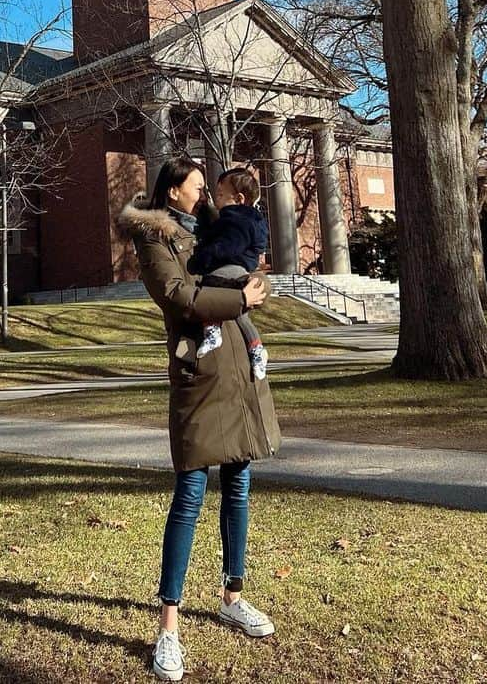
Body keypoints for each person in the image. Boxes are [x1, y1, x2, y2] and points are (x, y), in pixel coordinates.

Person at [118, 156, 282, 683]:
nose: (206, 196)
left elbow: (251, 263)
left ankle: (233, 595)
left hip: (238, 362)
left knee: (239, 484)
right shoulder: (154, 238)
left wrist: (251, 283)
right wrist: (239, 296)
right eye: (197, 188)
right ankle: (169, 626)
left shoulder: (215, 226)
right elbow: (177, 297)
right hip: (199, 368)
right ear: (173, 193)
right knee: (190, 494)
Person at [176, 166, 269, 381]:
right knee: (241, 315)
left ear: (238, 198)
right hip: (240, 270)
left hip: (231, 269)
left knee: (210, 290)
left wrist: (201, 258)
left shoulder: (236, 220)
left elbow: (226, 246)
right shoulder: (242, 218)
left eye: (219, 194)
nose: (212, 197)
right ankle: (256, 349)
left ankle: (213, 330)